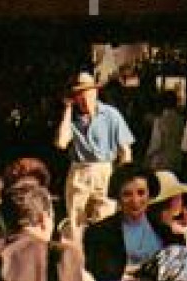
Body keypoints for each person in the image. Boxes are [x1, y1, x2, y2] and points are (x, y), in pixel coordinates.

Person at [54, 72, 134, 229]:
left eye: (87, 92)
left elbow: (125, 151)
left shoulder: (111, 114)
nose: (84, 98)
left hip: (104, 171)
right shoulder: (72, 119)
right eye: (78, 94)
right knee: (76, 223)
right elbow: (61, 143)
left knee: (106, 219)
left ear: (95, 92)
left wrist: (123, 177)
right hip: (80, 172)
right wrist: (68, 109)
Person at [83, 164, 175, 281]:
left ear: (150, 194)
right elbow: (97, 279)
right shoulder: (98, 233)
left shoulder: (165, 231)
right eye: (127, 194)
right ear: (117, 197)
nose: (135, 201)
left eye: (141, 193)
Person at [144, 90, 186, 175]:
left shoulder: (160, 121)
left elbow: (156, 144)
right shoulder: (181, 121)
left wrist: (147, 158)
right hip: (176, 162)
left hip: (161, 162)